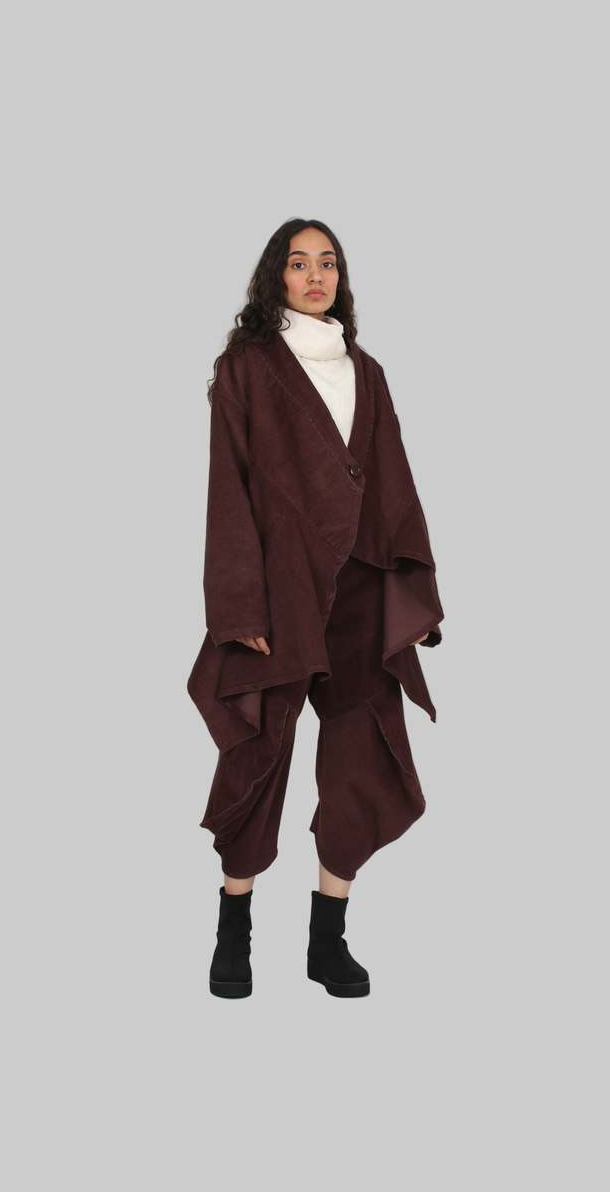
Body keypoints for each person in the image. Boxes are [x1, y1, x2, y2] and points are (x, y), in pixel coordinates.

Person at [187, 217, 445, 998]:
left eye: (327, 263)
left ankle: (327, 941)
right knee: (258, 754)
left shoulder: (368, 370)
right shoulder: (247, 367)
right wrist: (240, 609)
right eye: (299, 263)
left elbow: (394, 480)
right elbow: (228, 488)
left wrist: (413, 594)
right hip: (280, 592)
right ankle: (234, 931)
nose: (315, 275)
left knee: (361, 756)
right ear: (277, 276)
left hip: (361, 590)